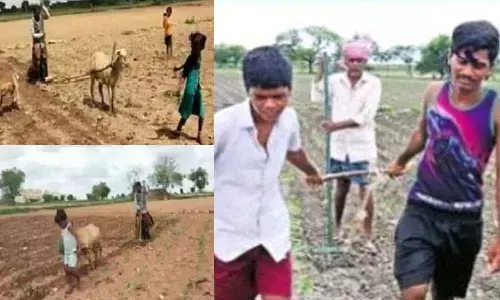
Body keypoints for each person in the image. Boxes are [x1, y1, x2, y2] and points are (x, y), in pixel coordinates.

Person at [387, 20, 500, 300]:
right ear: (450, 56)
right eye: (462, 61)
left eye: (479, 66)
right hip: (421, 210)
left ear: (491, 68)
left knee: (447, 296)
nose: (467, 72)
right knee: (413, 292)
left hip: (464, 221)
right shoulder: (433, 93)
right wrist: (401, 160)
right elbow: (420, 134)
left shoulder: (495, 108)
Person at [214, 45, 323, 300]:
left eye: (279, 96)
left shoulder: (290, 120)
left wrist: (311, 171)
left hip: (272, 236)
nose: (271, 105)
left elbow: (293, 151)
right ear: (248, 91)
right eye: (260, 97)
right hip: (228, 238)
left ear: (290, 91)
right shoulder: (223, 125)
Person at [310, 36, 382, 238]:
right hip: (339, 146)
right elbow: (317, 96)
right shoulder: (334, 81)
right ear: (345, 61)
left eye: (359, 60)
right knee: (341, 186)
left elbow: (366, 116)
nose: (355, 64)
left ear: (365, 62)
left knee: (365, 189)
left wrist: (336, 126)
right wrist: (320, 71)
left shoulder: (373, 83)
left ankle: (367, 234)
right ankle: (337, 228)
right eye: (351, 60)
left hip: (362, 146)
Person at [173, 32, 207, 144]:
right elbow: (185, 71)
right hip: (191, 89)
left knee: (197, 111)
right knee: (191, 111)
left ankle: (181, 131)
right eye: (200, 45)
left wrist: (179, 68)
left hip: (196, 86)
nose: (202, 48)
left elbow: (185, 68)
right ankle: (182, 131)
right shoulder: (195, 56)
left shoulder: (195, 56)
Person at [54, 209, 82, 294]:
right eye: (58, 224)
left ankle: (78, 279)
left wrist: (79, 248)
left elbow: (76, 236)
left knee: (71, 269)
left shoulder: (69, 227)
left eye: (60, 223)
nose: (59, 225)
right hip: (66, 252)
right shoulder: (64, 227)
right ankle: (70, 285)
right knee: (66, 269)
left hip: (72, 252)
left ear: (64, 220)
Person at [30, 4, 51, 83]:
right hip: (37, 43)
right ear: (34, 13)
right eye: (36, 12)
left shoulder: (41, 17)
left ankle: (45, 77)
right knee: (38, 60)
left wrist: (43, 6)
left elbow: (48, 16)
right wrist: (41, 34)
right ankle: (39, 78)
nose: (38, 14)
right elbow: (32, 33)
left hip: (42, 42)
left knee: (44, 59)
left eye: (39, 12)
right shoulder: (32, 20)